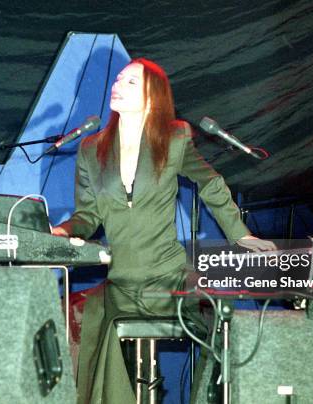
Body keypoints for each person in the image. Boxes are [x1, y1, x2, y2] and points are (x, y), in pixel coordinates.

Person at [52, 58, 275, 404]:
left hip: (169, 278)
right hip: (122, 282)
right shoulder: (90, 150)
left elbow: (210, 183)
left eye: (129, 82)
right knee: (73, 317)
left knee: (224, 320)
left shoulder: (174, 137)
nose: (117, 85)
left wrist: (240, 235)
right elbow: (87, 215)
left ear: (152, 97)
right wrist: (64, 231)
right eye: (117, 80)